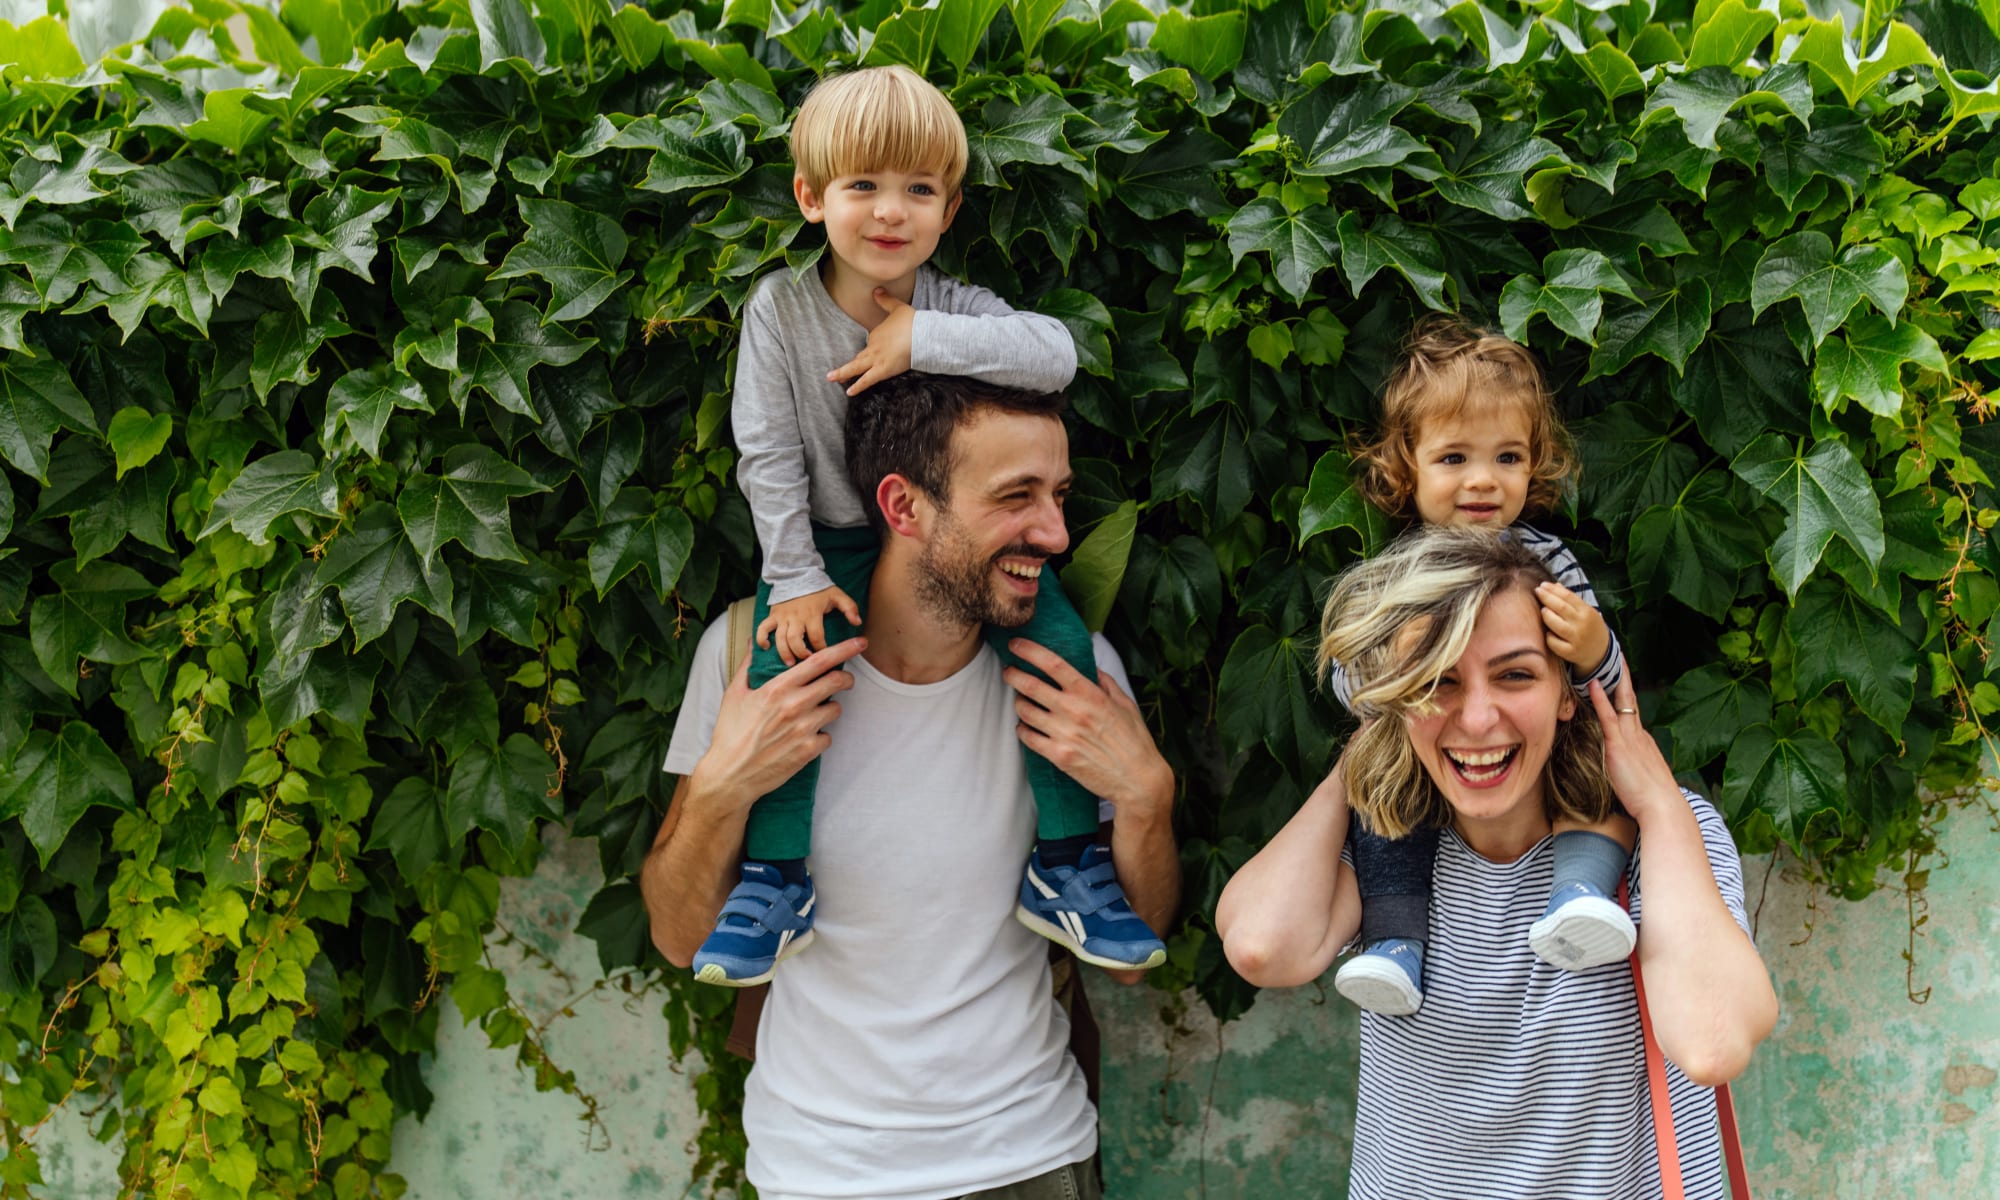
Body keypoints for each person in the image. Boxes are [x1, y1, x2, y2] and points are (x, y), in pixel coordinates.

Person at [643, 372, 1182, 1198]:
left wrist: (1147, 799)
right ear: (903, 507)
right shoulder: (751, 656)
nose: (1057, 533)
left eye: (1060, 495)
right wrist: (722, 788)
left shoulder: (1071, 678)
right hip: (819, 1168)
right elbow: (681, 938)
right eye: (1016, 497)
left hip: (1029, 1156)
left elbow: (1132, 961)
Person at [708, 63, 1164, 985]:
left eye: (918, 190)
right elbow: (766, 450)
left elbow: (1054, 353)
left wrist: (921, 339)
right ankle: (771, 878)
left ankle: (1069, 862)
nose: (889, 212)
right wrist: (792, 576)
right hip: (828, 542)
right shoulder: (780, 310)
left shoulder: (952, 305)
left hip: (948, 539)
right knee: (785, 674)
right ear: (810, 197)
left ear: (948, 211)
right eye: (862, 187)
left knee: (1060, 645)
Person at [1217, 527, 1777, 1199]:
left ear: (1569, 694)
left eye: (1515, 674)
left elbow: (1712, 1044)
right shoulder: (1384, 840)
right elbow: (1261, 947)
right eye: (1435, 681)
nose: (1477, 719)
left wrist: (1656, 804)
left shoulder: (1665, 834)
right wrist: (1367, 755)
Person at [1327, 317, 1637, 1016]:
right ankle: (1397, 945)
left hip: (1537, 765)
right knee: (1377, 796)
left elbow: (1606, 688)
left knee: (1603, 768)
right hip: (1425, 758)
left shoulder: (1550, 565)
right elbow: (1349, 683)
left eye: (1507, 458)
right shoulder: (1398, 576)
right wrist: (1390, 680)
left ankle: (1579, 894)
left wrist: (1593, 648)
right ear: (1407, 467)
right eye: (1453, 459)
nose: (1483, 481)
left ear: (1536, 464)